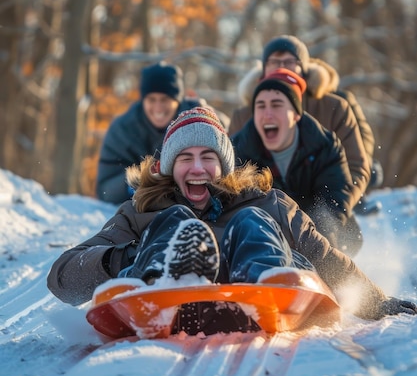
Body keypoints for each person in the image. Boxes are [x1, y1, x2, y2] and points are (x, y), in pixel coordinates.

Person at [47, 107, 417, 337]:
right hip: (163, 289)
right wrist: (125, 258)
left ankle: (266, 274)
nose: (197, 168)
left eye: (208, 156)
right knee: (174, 222)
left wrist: (376, 302)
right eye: (185, 158)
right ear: (168, 167)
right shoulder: (144, 210)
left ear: (224, 166)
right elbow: (62, 278)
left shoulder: (266, 202)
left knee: (251, 221)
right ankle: (165, 273)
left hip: (268, 291)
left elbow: (324, 257)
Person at [229, 35, 380, 212]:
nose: (281, 67)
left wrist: (341, 200)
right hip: (266, 212)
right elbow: (232, 168)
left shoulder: (333, 107)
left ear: (304, 70)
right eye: (274, 62)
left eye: (289, 61)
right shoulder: (244, 115)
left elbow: (356, 164)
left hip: (323, 203)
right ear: (263, 70)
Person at [231, 68, 362, 256]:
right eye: (260, 106)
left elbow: (332, 202)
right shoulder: (239, 149)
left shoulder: (324, 146)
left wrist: (314, 248)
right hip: (265, 230)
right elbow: (236, 206)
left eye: (276, 105)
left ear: (296, 114)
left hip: (317, 228)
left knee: (337, 231)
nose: (267, 114)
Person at [96, 61, 229, 204]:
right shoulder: (122, 130)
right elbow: (106, 190)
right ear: (143, 101)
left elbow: (232, 165)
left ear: (177, 100)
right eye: (151, 100)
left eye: (165, 100)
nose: (158, 108)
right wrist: (144, 179)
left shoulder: (204, 121)